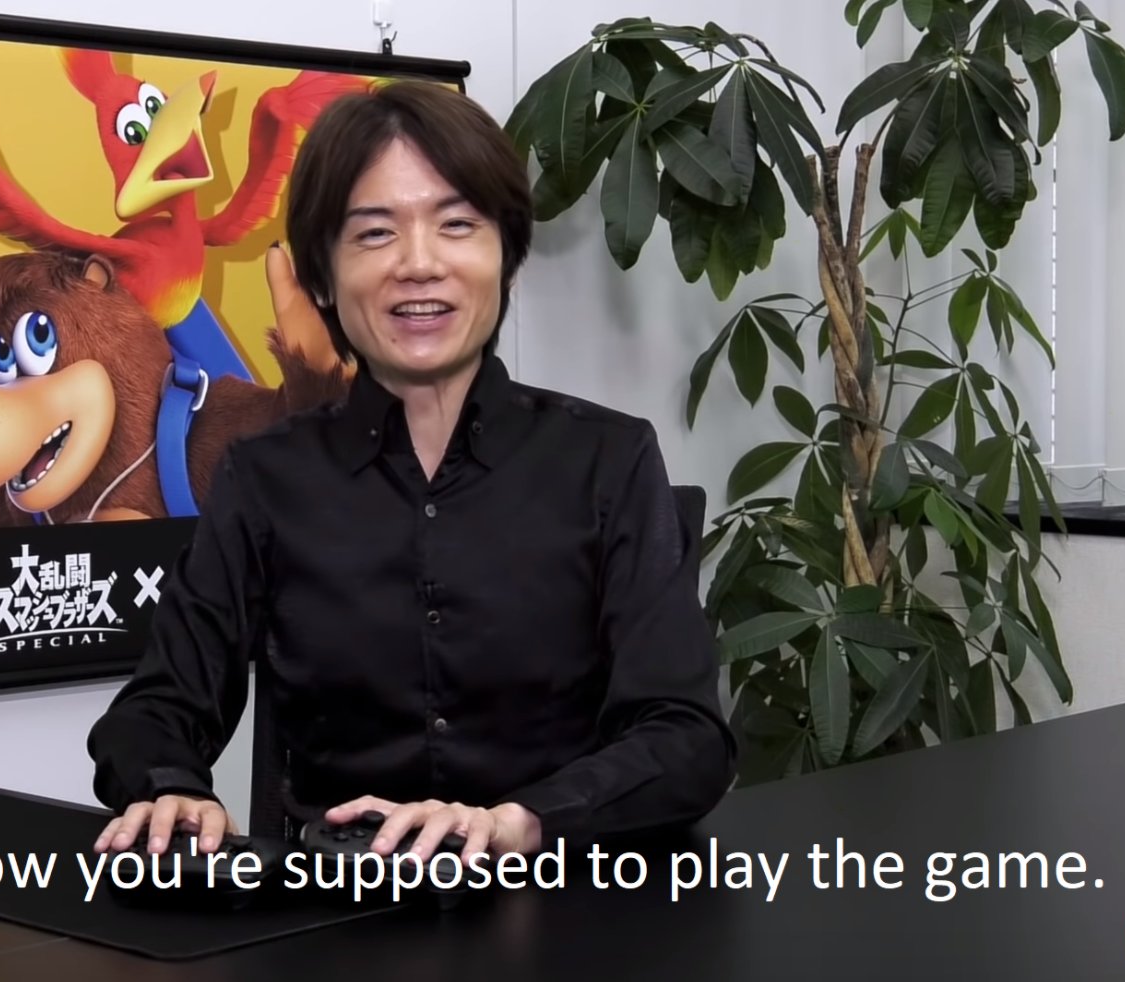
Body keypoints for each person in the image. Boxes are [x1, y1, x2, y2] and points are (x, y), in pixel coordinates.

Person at [87, 78, 734, 865]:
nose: (419, 264)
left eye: (457, 225)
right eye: (374, 233)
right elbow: (156, 710)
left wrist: (524, 821)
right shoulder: (264, 477)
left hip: (561, 899)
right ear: (322, 278)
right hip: (337, 908)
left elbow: (686, 737)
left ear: (507, 259)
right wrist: (170, 787)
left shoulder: (607, 459)